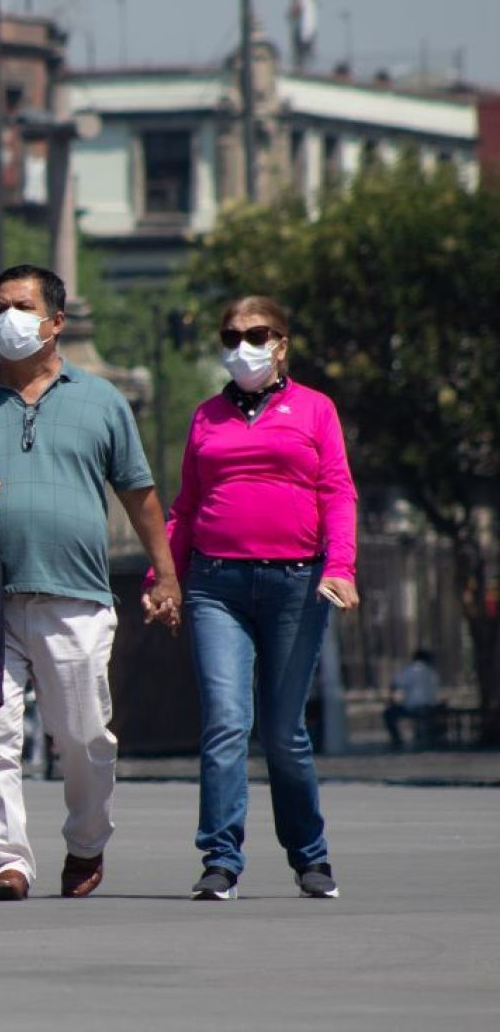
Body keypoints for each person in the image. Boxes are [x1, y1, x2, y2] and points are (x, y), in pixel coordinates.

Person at [0, 263, 180, 901]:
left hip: (76, 594)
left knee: (84, 737)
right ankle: (6, 864)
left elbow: (139, 493)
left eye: (21, 306)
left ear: (56, 321)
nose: (6, 318)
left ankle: (87, 840)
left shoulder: (101, 401)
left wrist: (167, 575)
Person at [166, 295, 359, 901]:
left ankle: (310, 856)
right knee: (226, 723)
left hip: (296, 584)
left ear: (281, 344)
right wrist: (163, 578)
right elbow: (186, 507)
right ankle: (221, 859)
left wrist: (341, 565)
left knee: (283, 733)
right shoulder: (206, 416)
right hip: (215, 585)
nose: (242, 347)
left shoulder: (315, 409)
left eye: (256, 335)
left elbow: (337, 491)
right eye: (231, 337)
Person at [385, 650, 442, 751]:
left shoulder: (412, 669)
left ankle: (397, 740)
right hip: (431, 706)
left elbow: (395, 684)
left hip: (414, 708)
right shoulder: (432, 671)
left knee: (388, 713)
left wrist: (392, 700)